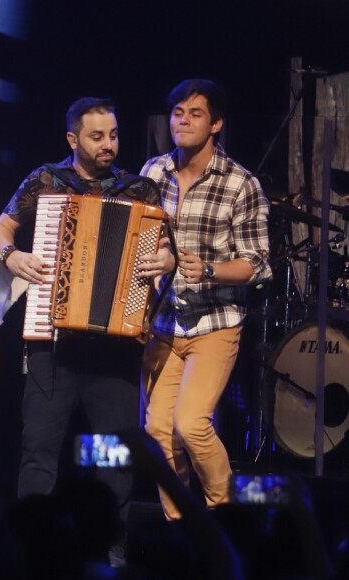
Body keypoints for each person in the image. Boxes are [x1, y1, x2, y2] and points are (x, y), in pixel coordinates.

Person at [0, 97, 174, 537]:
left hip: (114, 344)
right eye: (96, 136)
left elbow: (166, 247)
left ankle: (111, 547)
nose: (108, 144)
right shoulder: (47, 180)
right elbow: (1, 228)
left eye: (113, 134)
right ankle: (30, 544)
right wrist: (11, 256)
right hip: (51, 342)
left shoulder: (138, 190)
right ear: (72, 139)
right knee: (39, 449)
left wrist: (164, 261)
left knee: (115, 454)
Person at [140, 79, 272, 521]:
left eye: (195, 113)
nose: (183, 120)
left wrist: (209, 270)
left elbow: (255, 263)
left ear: (216, 123)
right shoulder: (153, 173)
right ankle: (180, 526)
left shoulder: (241, 183)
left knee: (191, 423)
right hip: (164, 324)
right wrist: (157, 257)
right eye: (177, 112)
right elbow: (142, 236)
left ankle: (225, 516)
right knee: (158, 430)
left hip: (215, 323)